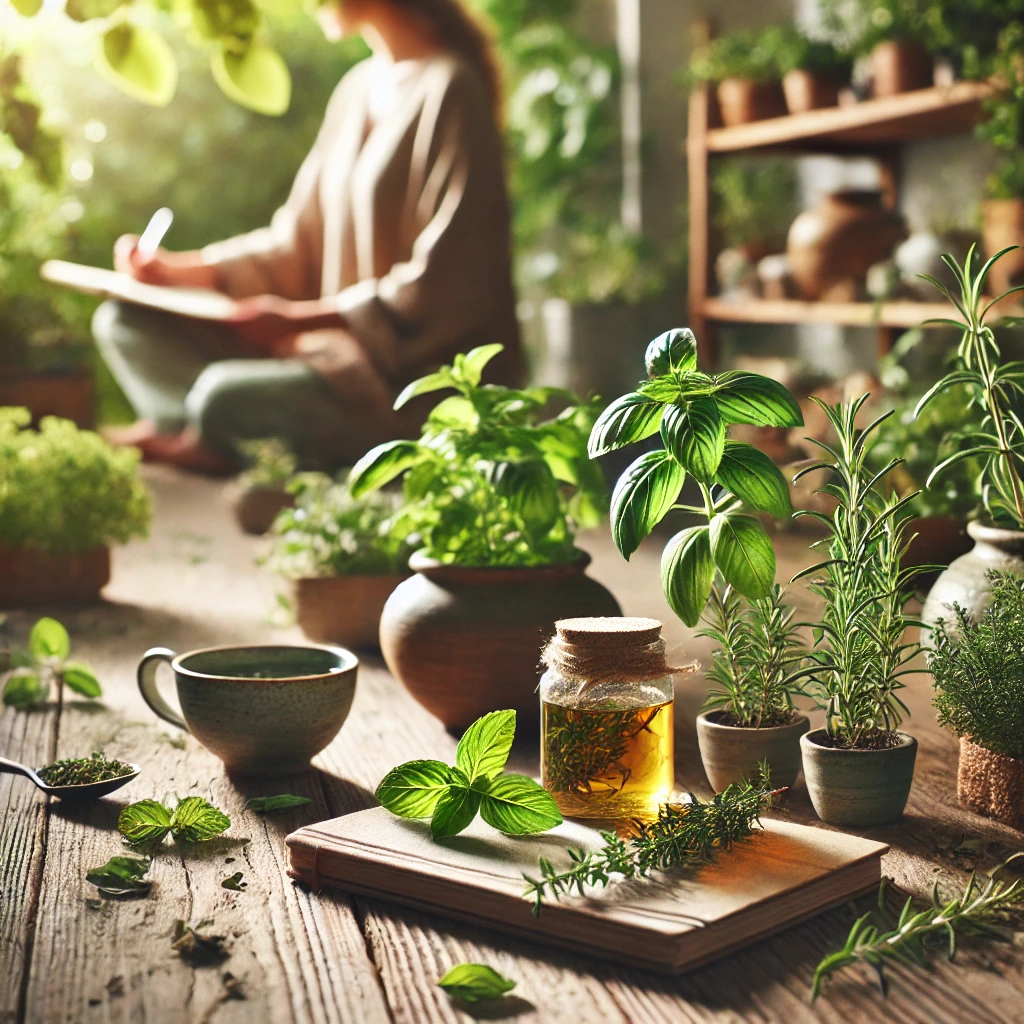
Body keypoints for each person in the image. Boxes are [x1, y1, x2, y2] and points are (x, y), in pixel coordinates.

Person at [96, 0, 522, 472]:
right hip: (324, 355)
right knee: (124, 320)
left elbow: (449, 282)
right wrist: (172, 270)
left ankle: (210, 432)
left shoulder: (452, 87)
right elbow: (295, 244)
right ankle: (205, 435)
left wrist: (299, 321)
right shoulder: (357, 88)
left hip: (400, 381)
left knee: (222, 395)